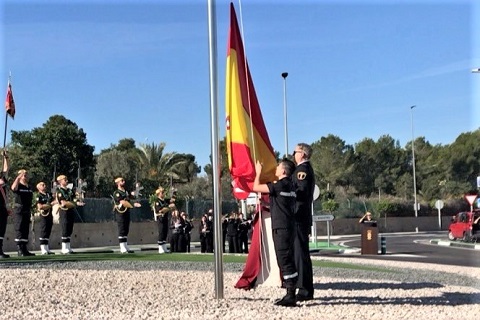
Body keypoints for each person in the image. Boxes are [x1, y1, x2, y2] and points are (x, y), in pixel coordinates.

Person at [252, 159, 298, 307]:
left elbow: (255, 186)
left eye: (278, 167)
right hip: (289, 226)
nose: (276, 168)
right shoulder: (291, 186)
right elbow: (280, 204)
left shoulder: (279, 185)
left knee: (284, 259)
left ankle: (291, 294)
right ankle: (291, 289)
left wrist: (258, 172)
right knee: (287, 258)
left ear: (283, 171)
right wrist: (266, 203)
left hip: (281, 227)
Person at [292, 143, 315, 302]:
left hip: (299, 216)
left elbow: (299, 193)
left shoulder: (302, 170)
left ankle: (305, 289)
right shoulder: (302, 169)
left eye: (296, 151)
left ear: (303, 154)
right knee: (299, 253)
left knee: (301, 254)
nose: (293, 154)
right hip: (300, 216)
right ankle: (303, 287)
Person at [113, 177, 140, 253]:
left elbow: (132, 196)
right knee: (121, 228)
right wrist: (133, 204)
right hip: (120, 212)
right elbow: (122, 202)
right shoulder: (117, 193)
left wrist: (137, 189)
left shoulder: (126, 191)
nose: (124, 182)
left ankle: (125, 245)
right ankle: (122, 247)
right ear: (118, 183)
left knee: (126, 229)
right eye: (122, 181)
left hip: (127, 212)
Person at [11, 169, 35, 256]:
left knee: (25, 229)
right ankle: (19, 249)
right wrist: (18, 178)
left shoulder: (28, 187)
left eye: (26, 174)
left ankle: (25, 249)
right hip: (19, 209)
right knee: (19, 228)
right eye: (23, 175)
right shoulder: (19, 185)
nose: (25, 176)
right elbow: (13, 188)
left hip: (27, 209)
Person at [55, 175, 80, 254]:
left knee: (70, 228)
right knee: (65, 228)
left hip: (70, 210)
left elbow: (74, 198)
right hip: (64, 211)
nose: (66, 180)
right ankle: (64, 247)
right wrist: (75, 203)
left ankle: (68, 247)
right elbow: (63, 203)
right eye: (64, 179)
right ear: (60, 181)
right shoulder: (59, 191)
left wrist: (76, 201)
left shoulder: (70, 190)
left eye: (66, 179)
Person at [35, 181, 56, 254]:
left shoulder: (48, 194)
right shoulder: (39, 195)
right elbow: (40, 206)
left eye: (44, 184)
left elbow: (55, 200)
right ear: (38, 187)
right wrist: (50, 205)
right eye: (42, 185)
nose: (44, 185)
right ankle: (43, 248)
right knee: (43, 230)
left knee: (48, 230)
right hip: (44, 214)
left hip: (50, 214)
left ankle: (47, 248)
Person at [153, 187, 175, 254]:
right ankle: (160, 248)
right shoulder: (157, 201)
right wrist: (168, 207)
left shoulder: (165, 200)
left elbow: (172, 200)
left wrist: (173, 192)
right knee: (161, 231)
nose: (163, 194)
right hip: (160, 218)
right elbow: (160, 210)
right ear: (159, 194)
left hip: (165, 218)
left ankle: (164, 247)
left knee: (165, 232)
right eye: (162, 192)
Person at [0, 152, 10, 258]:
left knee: (2, 228)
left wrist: (6, 157)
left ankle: (0, 249)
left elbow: (6, 170)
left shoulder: (2, 179)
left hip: (2, 206)